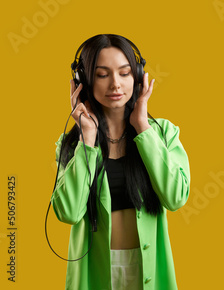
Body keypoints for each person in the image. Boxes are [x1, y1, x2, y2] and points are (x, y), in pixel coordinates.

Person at [51, 34, 190, 290]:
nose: (115, 84)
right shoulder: (72, 144)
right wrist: (88, 138)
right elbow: (68, 213)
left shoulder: (163, 134)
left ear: (137, 77)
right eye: (103, 74)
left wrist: (143, 128)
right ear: (84, 81)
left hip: (149, 271)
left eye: (124, 73)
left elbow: (176, 197)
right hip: (95, 273)